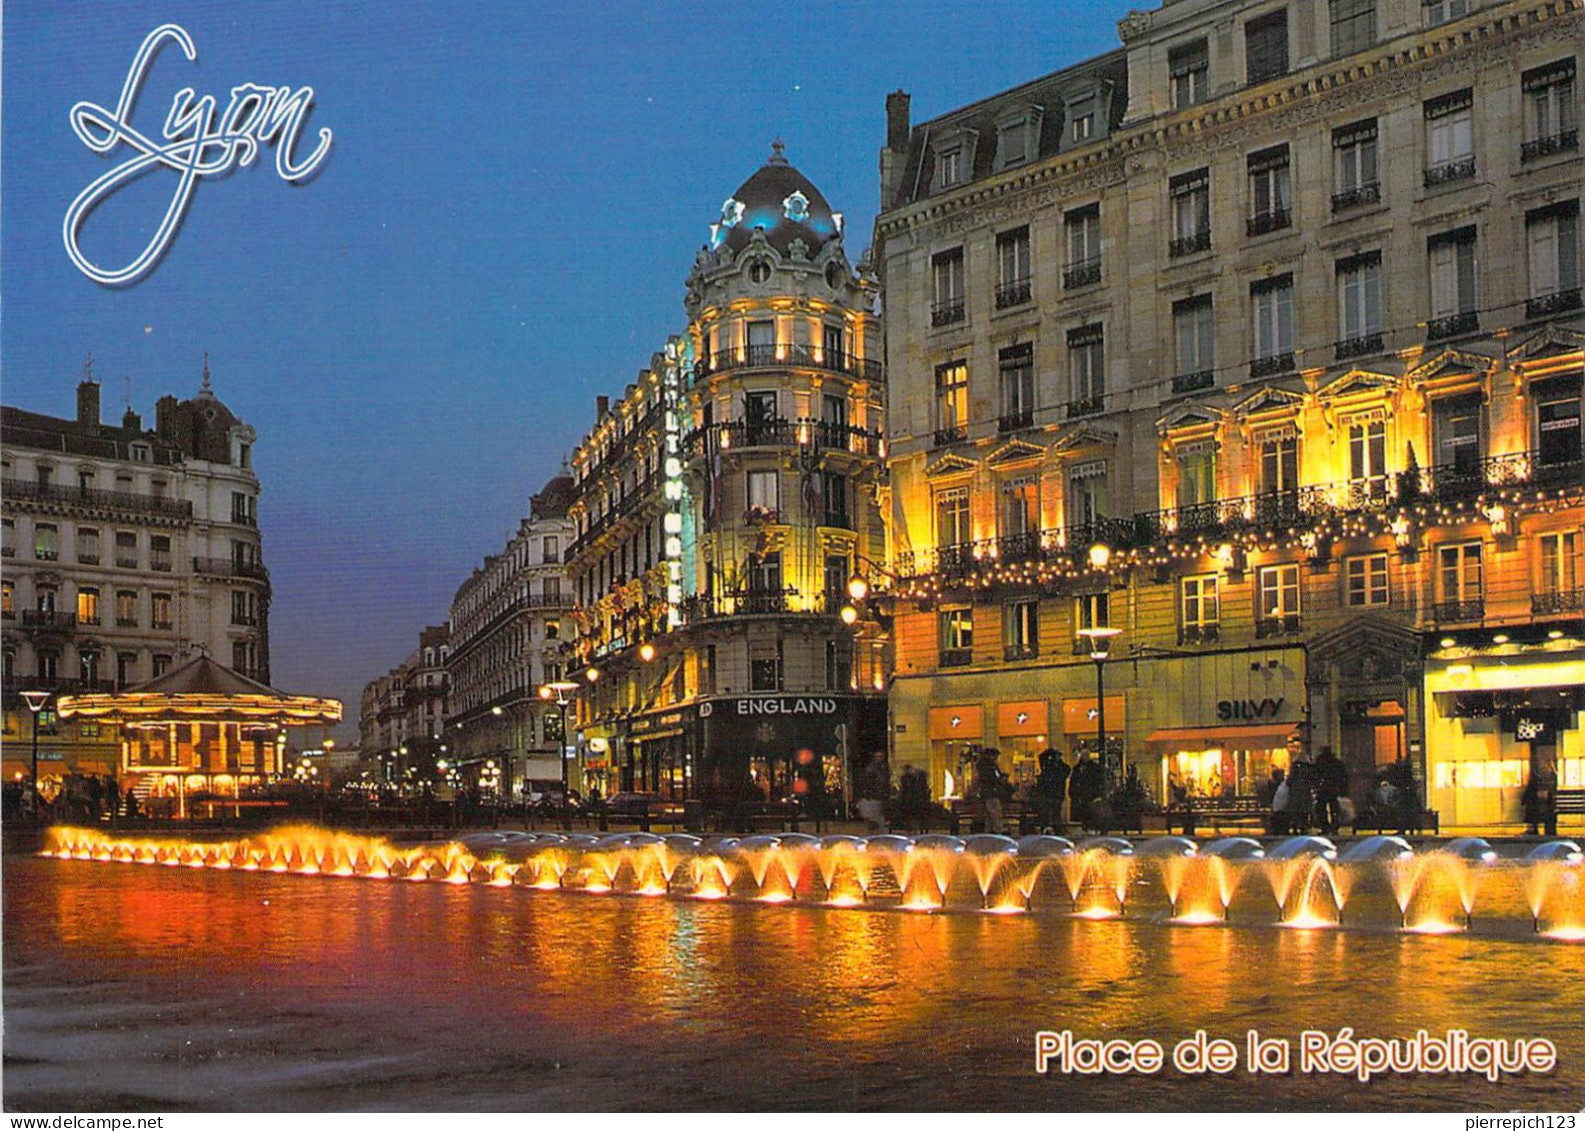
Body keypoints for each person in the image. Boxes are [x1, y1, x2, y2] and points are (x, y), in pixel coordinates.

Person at [973, 747, 1010, 834]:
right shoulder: (988, 766)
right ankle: (997, 829)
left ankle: (990, 830)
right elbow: (989, 779)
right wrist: (999, 780)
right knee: (995, 811)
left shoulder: (989, 765)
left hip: (990, 792)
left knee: (990, 813)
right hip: (991, 792)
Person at [1314, 746, 1349, 836]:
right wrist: (1343, 789)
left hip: (1323, 788)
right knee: (1334, 808)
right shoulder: (1336, 762)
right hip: (1334, 788)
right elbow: (1343, 776)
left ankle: (1325, 827)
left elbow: (1315, 774)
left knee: (1321, 808)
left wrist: (1316, 785)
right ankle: (1335, 826)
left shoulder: (1320, 761)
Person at [1033, 748, 1069, 834]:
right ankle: (1047, 828)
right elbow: (1041, 758)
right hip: (1047, 792)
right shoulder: (1048, 766)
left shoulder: (1061, 767)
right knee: (1046, 811)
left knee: (1055, 811)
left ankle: (1057, 829)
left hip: (1056, 793)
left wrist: (1058, 760)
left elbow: (1066, 770)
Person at [855, 753, 891, 833]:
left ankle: (876, 833)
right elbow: (870, 783)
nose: (880, 758)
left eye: (881, 757)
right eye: (878, 757)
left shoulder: (881, 768)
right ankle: (879, 833)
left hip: (878, 796)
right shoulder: (874, 769)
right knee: (877, 817)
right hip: (875, 796)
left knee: (876, 817)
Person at [898, 765, 930, 832]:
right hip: (914, 800)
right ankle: (916, 829)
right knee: (914, 816)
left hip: (912, 800)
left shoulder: (910, 779)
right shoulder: (912, 779)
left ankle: (913, 829)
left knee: (913, 816)